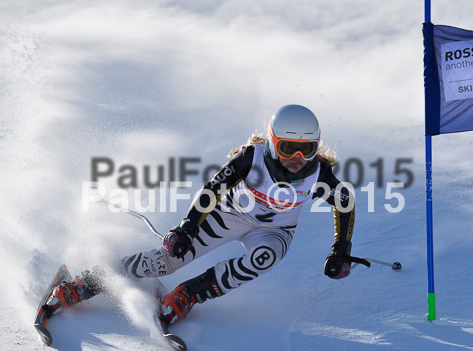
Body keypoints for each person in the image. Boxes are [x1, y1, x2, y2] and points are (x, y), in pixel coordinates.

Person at [47, 104, 356, 325]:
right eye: (289, 148)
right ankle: (84, 282)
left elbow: (345, 200)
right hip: (229, 215)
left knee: (265, 257)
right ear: (274, 143)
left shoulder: (318, 174)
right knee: (165, 262)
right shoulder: (252, 159)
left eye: (308, 148)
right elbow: (212, 190)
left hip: (274, 231)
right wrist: (186, 229)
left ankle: (190, 294)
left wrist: (341, 250)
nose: (298, 159)